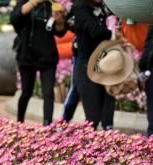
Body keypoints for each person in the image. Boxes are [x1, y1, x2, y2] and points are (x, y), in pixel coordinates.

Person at [10, 0, 68, 125]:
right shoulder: (25, 3)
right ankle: (20, 121)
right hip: (27, 55)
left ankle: (47, 125)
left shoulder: (51, 6)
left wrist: (59, 21)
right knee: (26, 92)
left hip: (47, 56)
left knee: (48, 93)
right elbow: (15, 17)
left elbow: (60, 32)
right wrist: (33, 3)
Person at [73, 0, 116, 129]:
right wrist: (111, 33)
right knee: (93, 117)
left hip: (106, 64)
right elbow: (95, 31)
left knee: (107, 117)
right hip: (88, 66)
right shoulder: (81, 8)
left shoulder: (105, 8)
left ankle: (110, 144)